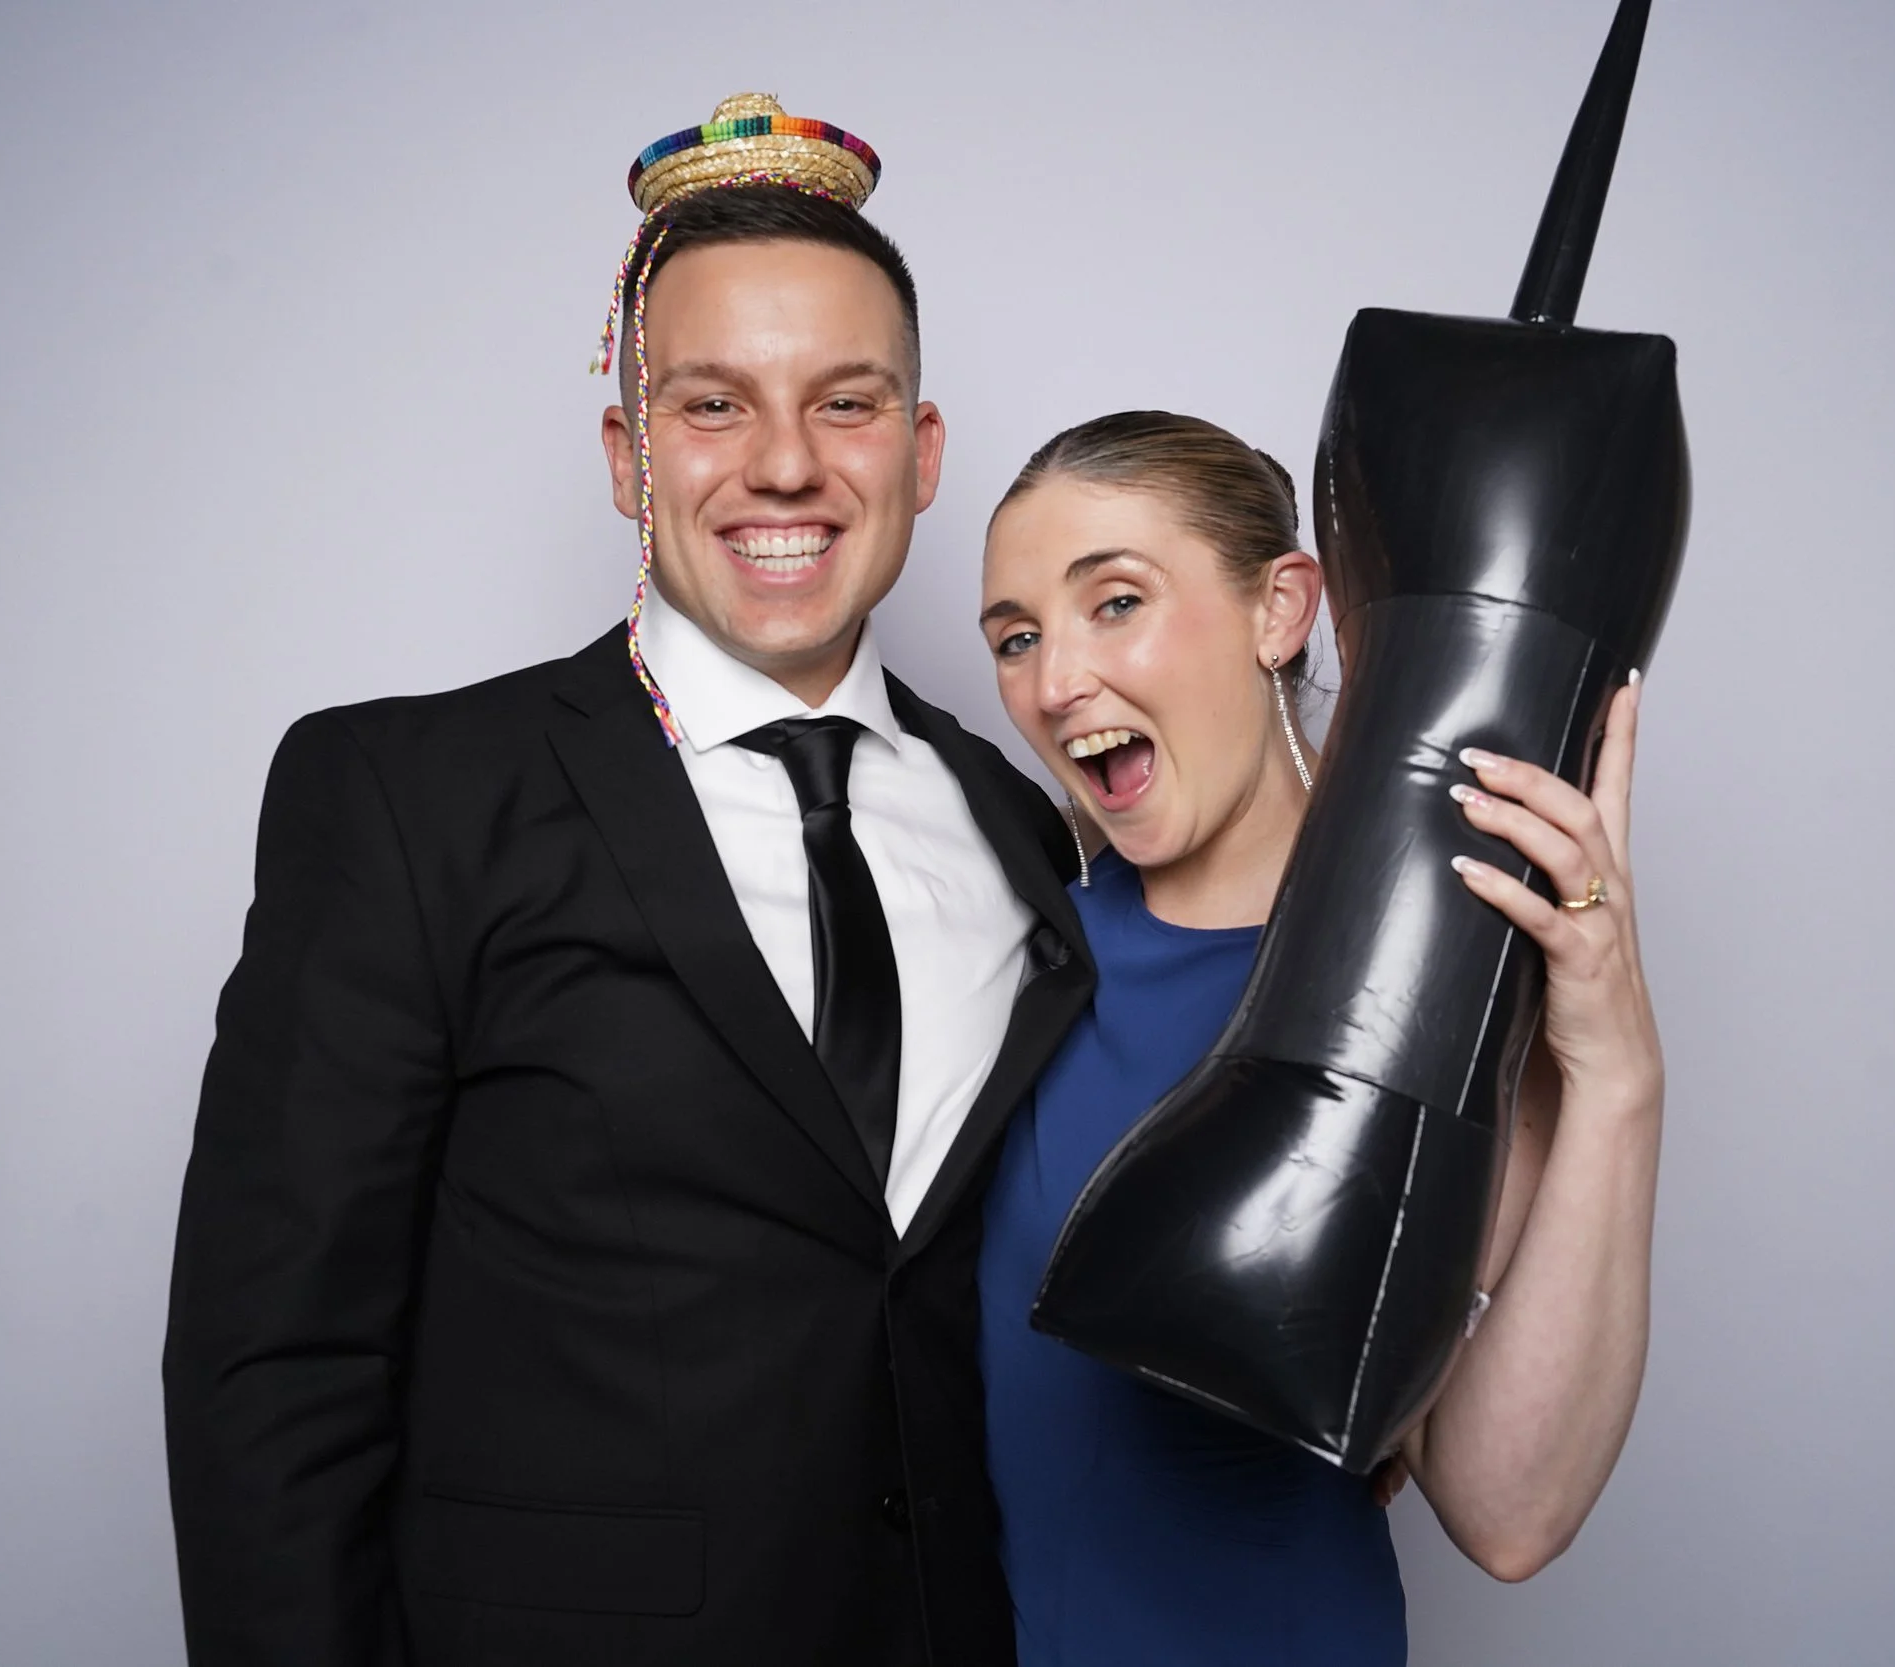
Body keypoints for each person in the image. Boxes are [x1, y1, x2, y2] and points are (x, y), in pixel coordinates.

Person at [161, 98, 1089, 1666]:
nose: (785, 464)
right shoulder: (409, 798)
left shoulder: (1024, 821)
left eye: (846, 402)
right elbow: (276, 1369)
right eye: (713, 404)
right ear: (628, 454)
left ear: (922, 455)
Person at [973, 411, 1665, 1664]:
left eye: (1114, 601)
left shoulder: (1437, 988)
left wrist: (1617, 1076)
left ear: (1280, 608)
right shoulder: (1016, 960)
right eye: (1015, 636)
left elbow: (1509, 1512)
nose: (1053, 678)